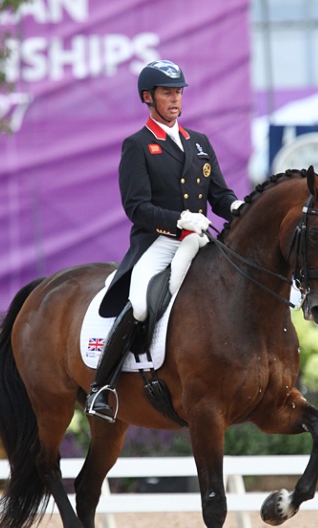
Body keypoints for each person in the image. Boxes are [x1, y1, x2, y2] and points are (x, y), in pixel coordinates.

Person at [85, 59, 244, 421]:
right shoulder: (137, 145)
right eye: (166, 93)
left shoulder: (199, 143)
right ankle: (101, 388)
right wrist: (178, 219)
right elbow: (136, 207)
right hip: (158, 243)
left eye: (178, 93)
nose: (175, 100)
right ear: (148, 97)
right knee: (140, 305)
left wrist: (237, 206)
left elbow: (219, 196)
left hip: (199, 240)